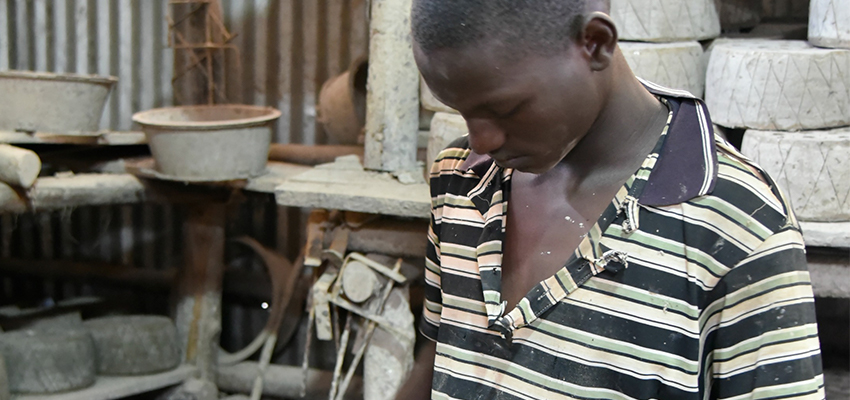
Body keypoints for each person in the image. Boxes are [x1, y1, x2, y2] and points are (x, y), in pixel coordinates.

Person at [398, 0, 825, 399]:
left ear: (595, 44)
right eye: (458, 109)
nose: (481, 140)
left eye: (506, 109)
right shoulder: (461, 180)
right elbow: (439, 356)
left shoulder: (736, 226)